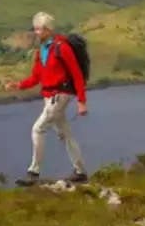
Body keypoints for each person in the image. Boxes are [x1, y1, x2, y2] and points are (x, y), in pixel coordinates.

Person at [5, 11, 88, 186]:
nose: (36, 32)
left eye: (39, 29)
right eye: (35, 29)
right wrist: (18, 85)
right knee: (65, 134)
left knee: (38, 129)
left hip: (60, 95)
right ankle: (80, 172)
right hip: (49, 97)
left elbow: (76, 74)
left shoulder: (61, 48)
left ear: (48, 30)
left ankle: (33, 172)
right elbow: (36, 78)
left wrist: (81, 102)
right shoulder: (41, 51)